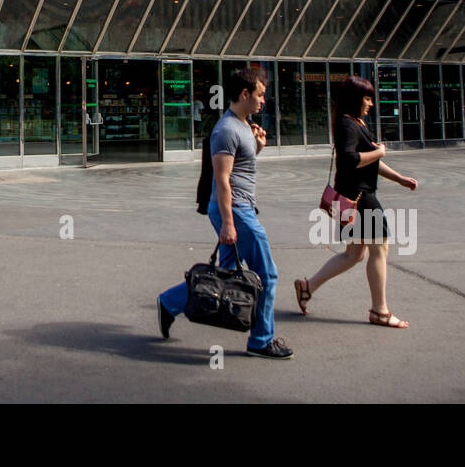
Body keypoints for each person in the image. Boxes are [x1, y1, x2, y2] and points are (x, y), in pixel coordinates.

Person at [157, 67, 292, 359]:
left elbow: (241, 167)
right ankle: (261, 341)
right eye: (260, 94)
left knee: (228, 272)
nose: (263, 100)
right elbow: (222, 179)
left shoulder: (243, 125)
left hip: (238, 208)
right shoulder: (227, 129)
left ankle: (169, 302)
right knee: (266, 274)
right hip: (236, 210)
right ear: (244, 94)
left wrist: (257, 146)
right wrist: (229, 224)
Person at [293, 75, 418, 328]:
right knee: (379, 248)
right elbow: (350, 160)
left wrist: (399, 178)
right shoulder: (348, 125)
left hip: (350, 197)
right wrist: (380, 150)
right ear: (355, 98)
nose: (371, 103)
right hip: (360, 198)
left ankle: (308, 286)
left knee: (354, 253)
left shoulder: (353, 122)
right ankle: (380, 311)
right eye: (367, 97)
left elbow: (369, 159)